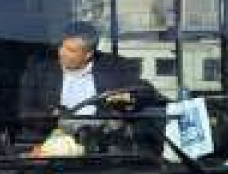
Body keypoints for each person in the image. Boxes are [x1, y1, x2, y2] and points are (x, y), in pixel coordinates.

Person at [16, 21, 148, 142]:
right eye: (61, 46)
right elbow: (24, 111)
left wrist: (129, 97)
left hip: (104, 145)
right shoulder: (40, 70)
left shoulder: (115, 67)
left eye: (71, 50)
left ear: (88, 54)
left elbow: (146, 92)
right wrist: (52, 118)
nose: (62, 53)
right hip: (51, 143)